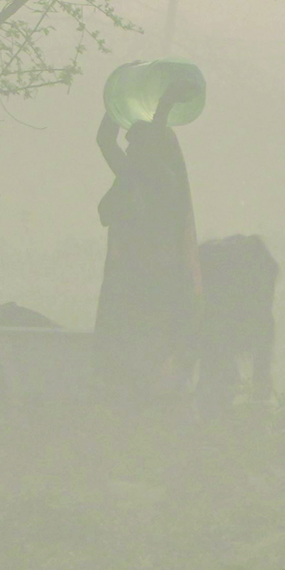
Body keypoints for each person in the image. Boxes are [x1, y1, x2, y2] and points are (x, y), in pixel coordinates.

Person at [94, 77, 203, 395]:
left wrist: (165, 105)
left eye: (136, 143)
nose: (130, 148)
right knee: (128, 347)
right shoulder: (133, 174)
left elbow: (132, 150)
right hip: (132, 276)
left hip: (155, 280)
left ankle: (149, 395)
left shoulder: (162, 180)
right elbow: (104, 140)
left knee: (149, 347)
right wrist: (116, 101)